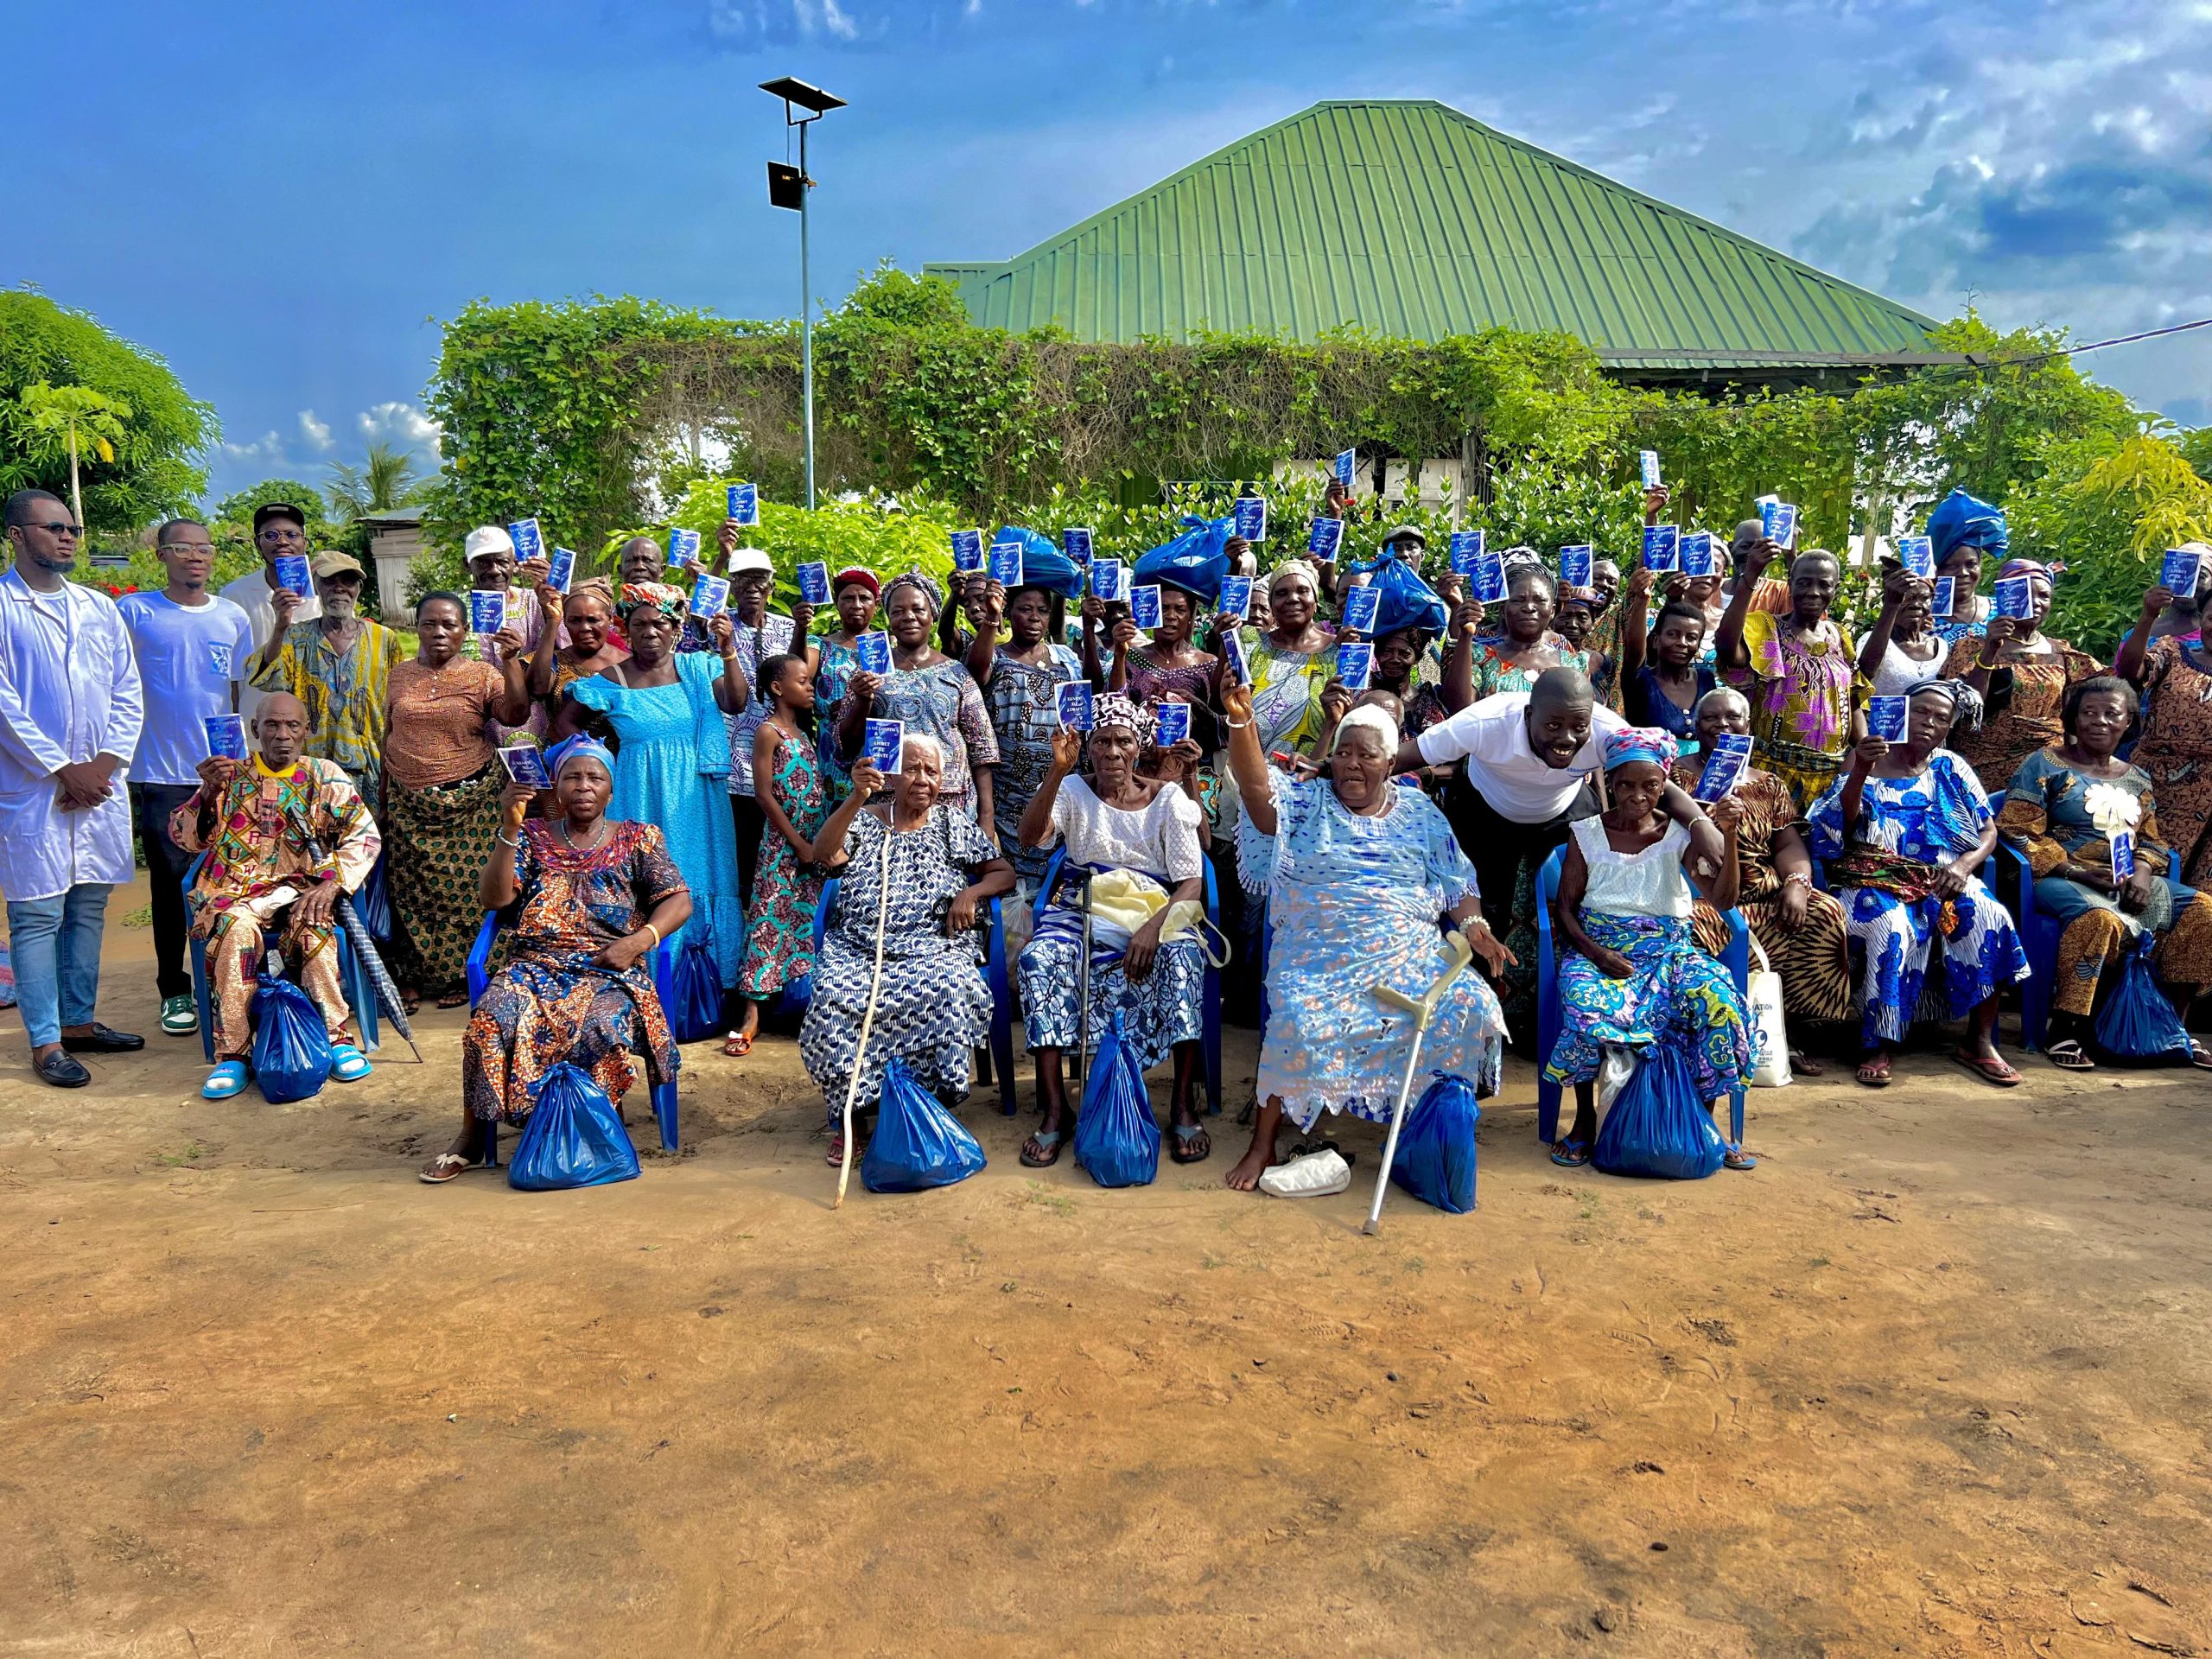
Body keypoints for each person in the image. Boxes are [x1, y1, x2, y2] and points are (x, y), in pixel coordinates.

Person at [1219, 684, 1512, 1191]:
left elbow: (1457, 881)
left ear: (1391, 762)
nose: (1351, 764)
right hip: (1317, 952)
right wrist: (1242, 721)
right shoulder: (1306, 801)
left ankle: (1423, 1128)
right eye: (1343, 753)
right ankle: (1263, 1142)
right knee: (1297, 1016)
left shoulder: (1420, 813)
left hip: (1408, 952)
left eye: (1366, 755)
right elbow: (1255, 791)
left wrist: (1474, 927)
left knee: (1469, 1003)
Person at [422, 735, 691, 1183]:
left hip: (608, 966)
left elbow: (678, 901)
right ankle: (472, 1134)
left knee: (601, 1021)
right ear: (556, 787)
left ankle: (596, 1124)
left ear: (610, 790)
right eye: (572, 777)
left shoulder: (639, 838)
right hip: (534, 964)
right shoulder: (531, 836)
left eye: (595, 778)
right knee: (489, 1018)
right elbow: (494, 899)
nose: (583, 786)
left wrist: (638, 941)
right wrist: (509, 828)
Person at [1541, 728, 1755, 1170]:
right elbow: (1564, 910)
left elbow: (1724, 900)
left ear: (1664, 785)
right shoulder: (1586, 833)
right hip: (1600, 951)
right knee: (1582, 1002)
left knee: (1718, 1002)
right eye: (1625, 785)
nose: (1637, 796)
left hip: (1670, 953)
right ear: (1609, 783)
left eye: (1650, 786)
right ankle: (1584, 1122)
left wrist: (1729, 836)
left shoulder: (1679, 834)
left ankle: (1702, 1123)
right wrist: (1598, 955)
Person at [1014, 694, 1212, 1168]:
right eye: (1101, 742)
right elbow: (1029, 837)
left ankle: (1182, 1105)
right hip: (1085, 904)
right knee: (1039, 959)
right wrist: (1057, 770)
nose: (1112, 752)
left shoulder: (1167, 800)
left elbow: (1190, 882)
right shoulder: (1073, 790)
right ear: (1088, 749)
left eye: (1123, 741)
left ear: (1139, 747)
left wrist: (1151, 929)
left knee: (1184, 958)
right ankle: (1056, 1110)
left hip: (1155, 908)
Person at [799, 740, 1014, 1166]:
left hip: (935, 944)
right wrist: (855, 797)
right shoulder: (865, 819)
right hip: (861, 946)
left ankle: (930, 1106)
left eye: (932, 772)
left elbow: (1003, 872)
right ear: (893, 775)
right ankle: (853, 1117)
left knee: (950, 987)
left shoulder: (952, 822)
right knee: (834, 995)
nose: (922, 780)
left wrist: (971, 893)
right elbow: (823, 855)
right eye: (913, 769)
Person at [1808, 678, 2029, 1088]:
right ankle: (1878, 1041)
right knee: (1890, 926)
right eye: (1920, 711)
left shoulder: (1951, 766)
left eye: (1940, 718)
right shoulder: (1865, 758)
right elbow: (1840, 825)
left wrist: (1964, 866)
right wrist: (1860, 771)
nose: (1929, 722)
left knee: (1991, 915)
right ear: (1900, 711)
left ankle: (1978, 1041)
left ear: (1949, 727)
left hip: (1944, 877)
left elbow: (1988, 831)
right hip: (1873, 878)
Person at [0, 490, 145, 1086]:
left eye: (72, 529)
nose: (67, 537)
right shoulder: (2, 608)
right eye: (53, 527)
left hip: (99, 785)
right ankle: (45, 1040)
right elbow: (3, 704)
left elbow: (127, 690)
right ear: (16, 535)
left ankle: (79, 1021)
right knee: (37, 914)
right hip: (33, 788)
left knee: (87, 906)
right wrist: (64, 769)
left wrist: (103, 767)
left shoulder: (97, 608)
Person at [1996, 677, 2212, 1070]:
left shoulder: (2137, 777)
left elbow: (2151, 840)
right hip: (2059, 877)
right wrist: (2078, 872)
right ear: (2073, 719)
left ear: (2128, 722)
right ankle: (2066, 1027)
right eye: (2088, 712)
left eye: (2111, 713)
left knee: (2202, 911)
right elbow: (2017, 829)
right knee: (2100, 919)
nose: (2099, 721)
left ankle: (2172, 1028)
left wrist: (2142, 873)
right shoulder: (2044, 764)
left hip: (2127, 878)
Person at [172, 691, 380, 1099]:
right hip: (234, 892)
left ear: (307, 731)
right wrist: (208, 792)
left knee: (315, 930)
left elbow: (365, 836)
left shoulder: (325, 775)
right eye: (272, 725)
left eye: (292, 725)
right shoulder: (229, 775)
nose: (282, 735)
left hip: (301, 889)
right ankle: (234, 1053)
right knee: (234, 931)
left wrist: (332, 883)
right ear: (255, 730)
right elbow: (186, 838)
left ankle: (336, 1037)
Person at [1404, 668, 1629, 1039]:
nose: (1567, 738)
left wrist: (1699, 823)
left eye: (1578, 726)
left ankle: (1558, 1021)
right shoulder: (1486, 721)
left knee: (1585, 904)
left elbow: (1653, 779)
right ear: (1528, 716)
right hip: (1486, 809)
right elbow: (1406, 756)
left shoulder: (1608, 731)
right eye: (1553, 725)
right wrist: (1331, 770)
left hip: (1563, 810)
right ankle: (1476, 1022)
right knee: (1481, 911)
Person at [551, 583, 748, 991]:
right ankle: (648, 980)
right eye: (639, 624)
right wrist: (597, 757)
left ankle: (709, 984)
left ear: (675, 627)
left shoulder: (699, 667)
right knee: (647, 881)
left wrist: (729, 651)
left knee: (702, 875)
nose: (649, 632)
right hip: (639, 792)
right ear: (626, 629)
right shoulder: (613, 679)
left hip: (698, 794)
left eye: (659, 623)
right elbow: (564, 723)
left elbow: (735, 703)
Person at [118, 518, 256, 1036]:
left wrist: (240, 762)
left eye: (204, 548)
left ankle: (224, 982)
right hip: (161, 774)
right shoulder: (135, 612)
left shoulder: (232, 616)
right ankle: (174, 990)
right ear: (161, 555)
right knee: (171, 889)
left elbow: (239, 691)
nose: (195, 557)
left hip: (225, 773)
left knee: (233, 882)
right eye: (182, 548)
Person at [1672, 688, 1852, 1068]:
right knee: (1685, 927)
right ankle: (1705, 1040)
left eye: (1732, 717)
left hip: (1762, 895)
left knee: (1824, 911)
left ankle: (1789, 1035)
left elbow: (1788, 844)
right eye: (1711, 718)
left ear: (1748, 726)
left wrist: (1797, 884)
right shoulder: (1674, 776)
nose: (1722, 725)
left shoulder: (1768, 784)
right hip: (1701, 896)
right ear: (1696, 726)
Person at [382, 592, 535, 1011]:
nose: (439, 632)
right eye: (429, 624)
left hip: (471, 802)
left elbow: (515, 715)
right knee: (412, 891)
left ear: (464, 630)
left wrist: (510, 662)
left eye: (449, 624)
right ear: (417, 628)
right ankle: (416, 976)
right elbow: (388, 734)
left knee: (468, 891)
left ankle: (465, 975)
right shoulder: (399, 675)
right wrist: (383, 800)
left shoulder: (482, 674)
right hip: (408, 802)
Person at [836, 571, 998, 825]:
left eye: (918, 609)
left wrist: (987, 817)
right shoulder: (870, 670)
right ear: (889, 619)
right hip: (887, 803)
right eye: (898, 611)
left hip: (949, 804)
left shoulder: (956, 672)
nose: (908, 617)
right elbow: (846, 744)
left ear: (933, 615)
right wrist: (863, 700)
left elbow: (982, 749)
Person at [248, 550, 404, 812]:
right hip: (309, 769)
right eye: (330, 581)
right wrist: (280, 625)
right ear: (316, 586)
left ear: (358, 588)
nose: (339, 588)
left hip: (371, 771)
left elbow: (398, 706)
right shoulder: (296, 637)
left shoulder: (384, 639)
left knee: (366, 836)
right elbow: (265, 678)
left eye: (349, 581)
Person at [728, 653, 828, 1055]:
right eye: (802, 681)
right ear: (777, 688)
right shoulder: (768, 732)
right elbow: (764, 795)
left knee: (805, 919)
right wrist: (797, 843)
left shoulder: (803, 732)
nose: (809, 687)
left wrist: (816, 844)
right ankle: (751, 1013)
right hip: (783, 845)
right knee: (769, 919)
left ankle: (801, 1005)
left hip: (814, 844)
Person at [1716, 545, 1861, 811]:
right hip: (1770, 774)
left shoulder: (1840, 636)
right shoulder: (1765, 628)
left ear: (1836, 589)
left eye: (1824, 585)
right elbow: (1727, 650)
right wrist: (1750, 577)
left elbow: (1852, 698)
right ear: (1789, 584)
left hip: (1829, 778)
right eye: (1803, 583)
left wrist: (1864, 753)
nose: (1813, 592)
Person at [1941, 558, 2103, 792]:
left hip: (2046, 770)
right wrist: (1990, 649)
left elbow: (2072, 719)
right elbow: (1965, 706)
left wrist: (2077, 769)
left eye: (2044, 596)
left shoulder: (2063, 653)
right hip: (1982, 771)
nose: (2036, 603)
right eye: (2026, 594)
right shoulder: (1971, 648)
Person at [964, 575, 1084, 885]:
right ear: (1009, 612)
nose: (1034, 617)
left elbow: (1080, 715)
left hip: (1057, 786)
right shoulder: (996, 655)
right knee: (1008, 881)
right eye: (1025, 609)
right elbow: (976, 672)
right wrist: (991, 616)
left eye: (1042, 610)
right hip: (1006, 792)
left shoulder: (1065, 661)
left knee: (1055, 879)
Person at [717, 530, 811, 910]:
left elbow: (803, 672)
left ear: (771, 587)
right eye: (743, 580)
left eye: (759, 580)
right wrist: (719, 558)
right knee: (739, 856)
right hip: (731, 760)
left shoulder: (786, 627)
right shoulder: (718, 625)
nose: (752, 588)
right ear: (731, 586)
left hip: (782, 758)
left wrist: (802, 628)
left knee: (777, 853)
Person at [2116, 567, 2212, 883]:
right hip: (2157, 785)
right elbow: (2129, 671)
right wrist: (2148, 616)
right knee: (2143, 876)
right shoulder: (2172, 651)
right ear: (2202, 621)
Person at [219, 500, 321, 726]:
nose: (282, 541)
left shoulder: (323, 593)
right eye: (271, 535)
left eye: (292, 534)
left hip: (314, 720)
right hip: (257, 720)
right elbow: (228, 670)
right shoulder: (235, 596)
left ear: (304, 542)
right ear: (258, 544)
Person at [463, 524, 556, 742]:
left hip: (531, 727)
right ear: (467, 565)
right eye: (483, 562)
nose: (494, 570)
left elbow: (562, 650)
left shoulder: (534, 601)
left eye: (502, 562)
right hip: (473, 727)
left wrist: (552, 598)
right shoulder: (453, 610)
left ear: (515, 563)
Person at [1240, 562, 1336, 757]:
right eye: (1282, 593)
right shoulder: (1251, 645)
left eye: (1303, 591)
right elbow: (1223, 706)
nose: (1292, 599)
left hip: (1315, 771)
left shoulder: (1339, 653)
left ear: (1315, 601)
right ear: (1272, 605)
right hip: (1249, 770)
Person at [1617, 564, 1716, 744]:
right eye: (1673, 634)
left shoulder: (1706, 679)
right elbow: (1634, 651)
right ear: (1656, 640)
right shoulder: (1640, 679)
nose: (1682, 642)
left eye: (1691, 638)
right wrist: (1641, 599)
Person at [812, 566, 880, 804]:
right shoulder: (821, 645)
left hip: (875, 740)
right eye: (848, 598)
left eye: (864, 598)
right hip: (831, 745)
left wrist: (852, 704)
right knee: (834, 808)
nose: (856, 605)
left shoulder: (885, 646)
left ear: (876, 604)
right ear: (837, 603)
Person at [1471, 564, 1592, 696]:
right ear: (1502, 610)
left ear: (1552, 611)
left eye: (1540, 600)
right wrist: (1465, 633)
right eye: (1518, 600)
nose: (1529, 608)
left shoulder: (1576, 663)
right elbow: (1462, 705)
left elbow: (1585, 707)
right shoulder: (1479, 657)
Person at [527, 579, 627, 725]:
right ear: (565, 622)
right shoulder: (555, 661)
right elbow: (537, 689)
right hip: (565, 739)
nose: (584, 628)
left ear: (610, 619)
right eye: (574, 620)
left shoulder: (630, 662)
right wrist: (552, 620)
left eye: (593, 620)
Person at [1924, 487, 2007, 645]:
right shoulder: (1922, 617)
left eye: (1971, 564)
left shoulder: (2002, 612)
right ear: (1937, 570)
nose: (1963, 572)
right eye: (1951, 566)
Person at [1857, 569, 1947, 694]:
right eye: (1906, 598)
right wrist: (1891, 605)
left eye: (1924, 598)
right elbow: (1864, 674)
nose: (1916, 604)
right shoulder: (1872, 641)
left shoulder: (1940, 647)